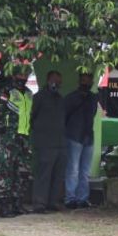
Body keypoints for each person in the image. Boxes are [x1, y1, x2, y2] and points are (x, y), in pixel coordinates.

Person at [0, 64, 33, 218]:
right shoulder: (6, 92)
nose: (23, 79)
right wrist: (0, 132)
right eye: (21, 75)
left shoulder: (29, 93)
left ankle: (18, 203)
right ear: (14, 75)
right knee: (5, 171)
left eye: (26, 76)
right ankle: (4, 205)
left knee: (22, 172)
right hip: (8, 137)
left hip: (24, 137)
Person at [30, 70, 67, 212]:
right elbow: (32, 117)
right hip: (45, 143)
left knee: (58, 175)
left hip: (60, 143)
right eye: (54, 80)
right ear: (47, 80)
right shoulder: (39, 97)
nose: (56, 83)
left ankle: (54, 202)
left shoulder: (60, 99)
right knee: (43, 175)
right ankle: (40, 204)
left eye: (59, 81)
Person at [63, 70, 99, 208]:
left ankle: (82, 199)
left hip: (88, 136)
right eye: (84, 80)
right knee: (73, 169)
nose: (86, 83)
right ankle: (70, 199)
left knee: (84, 170)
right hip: (74, 136)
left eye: (88, 80)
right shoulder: (72, 98)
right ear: (79, 81)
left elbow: (92, 115)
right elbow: (64, 116)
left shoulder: (93, 98)